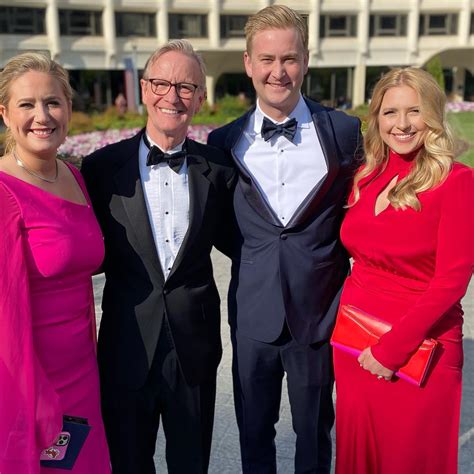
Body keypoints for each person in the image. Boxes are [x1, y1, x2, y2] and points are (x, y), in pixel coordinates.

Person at [207, 5, 363, 473]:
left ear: (307, 60)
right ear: (249, 63)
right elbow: (219, 226)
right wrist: (258, 259)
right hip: (253, 313)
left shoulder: (345, 131)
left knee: (315, 431)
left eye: (290, 58)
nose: (279, 71)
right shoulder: (223, 142)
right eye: (268, 59)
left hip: (318, 314)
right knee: (254, 430)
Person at [81, 40, 235, 474]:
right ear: (145, 89)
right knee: (128, 463)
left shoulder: (218, 169)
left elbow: (245, 242)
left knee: (192, 464)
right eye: (163, 83)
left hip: (195, 347)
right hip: (126, 345)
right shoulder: (100, 169)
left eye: (186, 87)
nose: (173, 96)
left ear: (201, 99)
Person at [333, 67, 473, 473]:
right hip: (356, 344)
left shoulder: (457, 181)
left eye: (414, 111)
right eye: (390, 112)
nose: (402, 124)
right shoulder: (366, 177)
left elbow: (453, 278)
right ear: (377, 117)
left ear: (432, 115)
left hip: (418, 349)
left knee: (411, 458)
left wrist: (391, 350)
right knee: (362, 457)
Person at [0, 52, 110, 473]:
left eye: (53, 102)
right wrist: (35, 398)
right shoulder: (4, 191)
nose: (42, 116)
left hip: (84, 372)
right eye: (27, 104)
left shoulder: (74, 176)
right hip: (31, 383)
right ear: (6, 114)